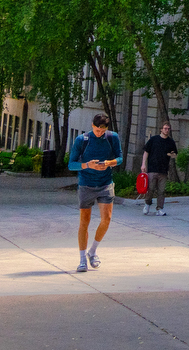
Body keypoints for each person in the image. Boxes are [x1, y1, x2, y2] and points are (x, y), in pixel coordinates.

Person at [68, 113, 121, 271]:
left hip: (105, 183)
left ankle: (93, 251)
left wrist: (108, 163)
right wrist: (87, 165)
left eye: (102, 131)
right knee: (84, 222)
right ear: (92, 126)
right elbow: (71, 164)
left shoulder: (112, 137)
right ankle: (82, 258)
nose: (99, 133)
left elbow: (120, 158)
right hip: (86, 184)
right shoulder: (82, 140)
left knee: (107, 219)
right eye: (97, 130)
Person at [140, 121, 178, 216]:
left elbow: (175, 155)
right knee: (151, 188)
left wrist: (171, 155)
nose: (167, 130)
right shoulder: (154, 140)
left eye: (168, 129)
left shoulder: (171, 142)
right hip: (152, 168)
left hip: (164, 170)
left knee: (161, 191)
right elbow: (146, 152)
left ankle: (160, 208)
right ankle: (147, 204)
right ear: (161, 129)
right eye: (165, 128)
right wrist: (143, 164)